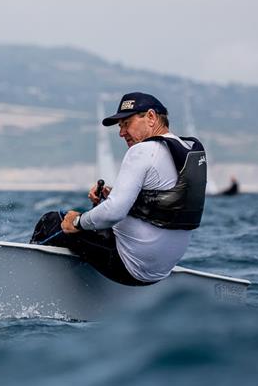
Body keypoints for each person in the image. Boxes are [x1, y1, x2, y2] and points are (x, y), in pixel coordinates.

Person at [30, 92, 207, 286]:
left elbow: (114, 212)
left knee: (53, 221)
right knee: (90, 226)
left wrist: (78, 222)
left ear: (150, 117)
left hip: (129, 267)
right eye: (120, 126)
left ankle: (29, 286)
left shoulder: (142, 150)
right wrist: (115, 194)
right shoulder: (188, 150)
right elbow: (165, 200)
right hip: (160, 270)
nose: (121, 133)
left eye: (126, 123)